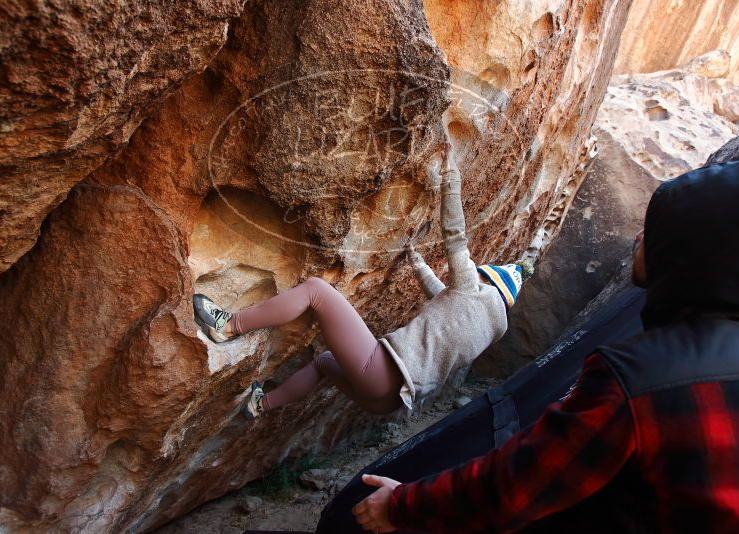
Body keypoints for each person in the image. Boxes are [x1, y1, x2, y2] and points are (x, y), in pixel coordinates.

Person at [352, 159, 739, 533]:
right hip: (410, 387)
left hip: (390, 364)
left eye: (658, 228)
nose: (640, 234)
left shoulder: (639, 377)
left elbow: (518, 485)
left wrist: (402, 505)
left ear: (690, 251)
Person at [193, 143, 532, 419]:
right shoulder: (485, 328)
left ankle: (228, 325)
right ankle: (260, 405)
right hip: (387, 401)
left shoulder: (473, 289)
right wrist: (415, 260)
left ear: (487, 281)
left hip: (382, 372)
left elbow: (455, 235)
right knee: (324, 364)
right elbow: (440, 295)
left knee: (316, 291)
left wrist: (450, 172)